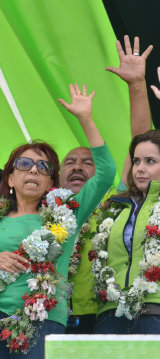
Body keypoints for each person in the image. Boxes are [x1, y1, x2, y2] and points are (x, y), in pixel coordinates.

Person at [0, 83, 116, 358]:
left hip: (43, 322)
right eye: (24, 164)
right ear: (10, 179)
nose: (34, 171)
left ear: (52, 182)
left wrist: (86, 119)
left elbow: (106, 172)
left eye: (43, 167)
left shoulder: (68, 215)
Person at [91, 63, 160, 334]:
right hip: (109, 315)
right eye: (137, 161)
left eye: (151, 161)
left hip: (159, 315)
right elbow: (139, 135)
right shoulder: (119, 204)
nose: (140, 167)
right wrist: (135, 85)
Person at [65, 35, 154, 335]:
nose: (77, 166)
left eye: (87, 162)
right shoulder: (42, 211)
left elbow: (142, 142)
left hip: (102, 316)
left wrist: (136, 86)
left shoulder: (115, 200)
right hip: (45, 315)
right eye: (70, 162)